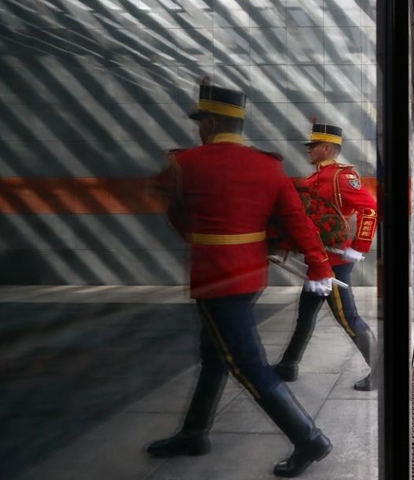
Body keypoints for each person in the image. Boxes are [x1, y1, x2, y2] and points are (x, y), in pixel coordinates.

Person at [147, 82, 335, 478]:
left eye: (201, 122)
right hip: (251, 273)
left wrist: (202, 237)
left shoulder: (188, 163)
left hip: (216, 276)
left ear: (210, 121)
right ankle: (194, 431)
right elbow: (295, 220)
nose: (199, 128)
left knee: (247, 365)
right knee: (214, 354)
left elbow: (176, 213)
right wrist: (318, 264)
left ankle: (308, 440)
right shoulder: (268, 165)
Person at [273, 123, 380, 391]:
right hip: (316, 261)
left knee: (348, 318)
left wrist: (359, 246)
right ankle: (288, 365)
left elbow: (370, 209)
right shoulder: (311, 180)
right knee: (305, 316)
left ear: (328, 148)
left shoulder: (341, 177)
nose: (308, 151)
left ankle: (381, 371)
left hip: (334, 263)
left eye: (313, 146)